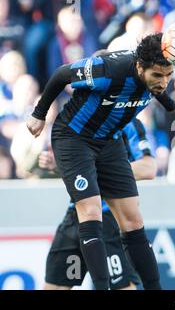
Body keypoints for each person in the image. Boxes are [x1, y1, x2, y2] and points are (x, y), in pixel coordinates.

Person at [26, 33, 175, 290]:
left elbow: (157, 88)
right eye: (158, 76)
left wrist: (173, 107)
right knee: (91, 210)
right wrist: (39, 114)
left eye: (168, 76)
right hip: (74, 137)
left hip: (108, 141)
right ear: (139, 67)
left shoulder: (153, 80)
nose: (163, 83)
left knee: (133, 220)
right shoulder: (109, 69)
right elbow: (63, 73)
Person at [42, 118, 155, 290]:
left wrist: (101, 168)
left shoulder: (128, 122)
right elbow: (81, 170)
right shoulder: (78, 119)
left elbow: (149, 168)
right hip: (77, 215)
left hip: (110, 218)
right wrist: (61, 165)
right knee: (54, 286)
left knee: (121, 286)